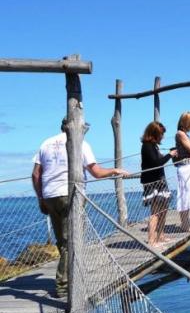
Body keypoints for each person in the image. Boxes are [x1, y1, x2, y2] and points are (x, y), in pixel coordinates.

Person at [31, 118, 128, 299]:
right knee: (72, 241)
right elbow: (96, 173)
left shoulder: (46, 143)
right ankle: (63, 286)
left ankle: (70, 277)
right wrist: (115, 170)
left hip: (50, 194)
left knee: (62, 241)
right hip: (71, 194)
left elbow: (36, 174)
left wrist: (41, 197)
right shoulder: (81, 144)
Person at [140, 122, 178, 246]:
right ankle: (151, 241)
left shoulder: (154, 146)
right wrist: (169, 155)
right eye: (161, 134)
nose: (162, 136)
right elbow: (157, 163)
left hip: (160, 182)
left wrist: (168, 155)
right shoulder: (147, 146)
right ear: (155, 134)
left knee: (164, 209)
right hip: (152, 183)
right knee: (155, 212)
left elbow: (157, 161)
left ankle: (161, 236)